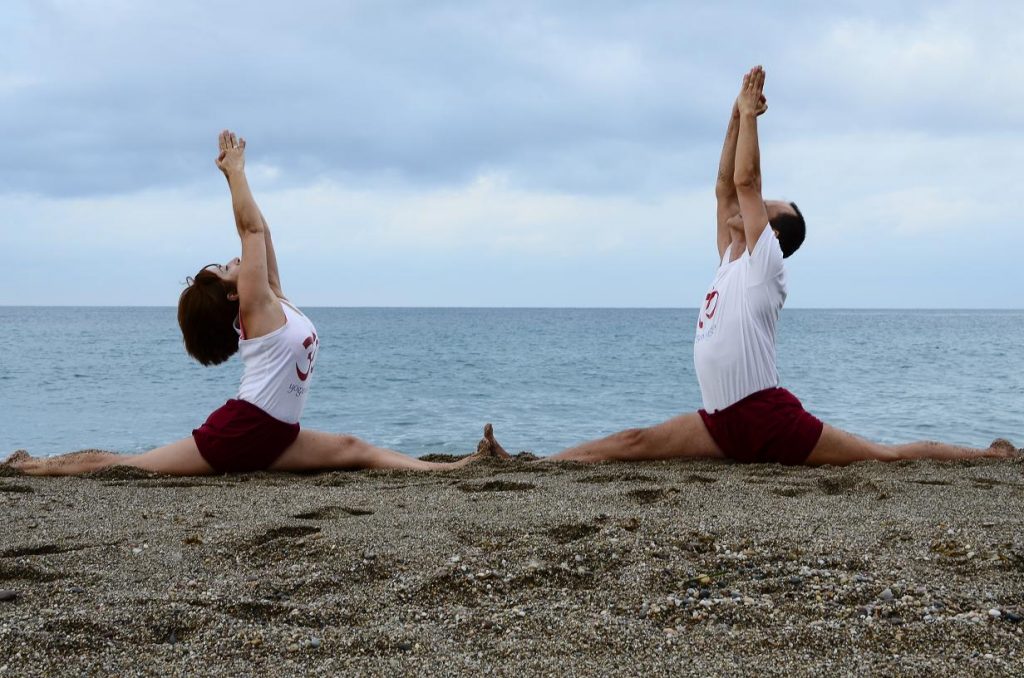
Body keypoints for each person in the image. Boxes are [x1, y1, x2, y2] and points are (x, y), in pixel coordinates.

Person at [481, 66, 1018, 466]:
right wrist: (736, 114)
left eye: (764, 210)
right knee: (632, 443)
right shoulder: (731, 258)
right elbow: (723, 185)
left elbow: (745, 184)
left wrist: (752, 121)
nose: (744, 211)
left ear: (774, 232)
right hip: (720, 423)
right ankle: (529, 464)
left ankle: (991, 457)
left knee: (884, 457)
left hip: (768, 417)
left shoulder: (766, 262)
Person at [6, 131, 491, 476]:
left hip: (275, 434)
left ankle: (455, 467)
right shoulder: (255, 310)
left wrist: (229, 179)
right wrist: (238, 172)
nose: (235, 260)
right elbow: (251, 229)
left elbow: (263, 230)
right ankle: (29, 468)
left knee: (353, 447)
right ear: (236, 294)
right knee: (128, 466)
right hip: (243, 432)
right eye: (226, 267)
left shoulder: (272, 299)